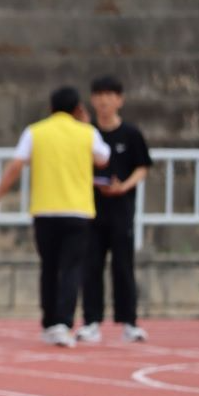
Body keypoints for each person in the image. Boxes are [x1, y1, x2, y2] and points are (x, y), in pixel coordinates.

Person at [0, 86, 109, 348]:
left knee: (49, 267)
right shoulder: (87, 132)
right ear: (77, 109)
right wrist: (85, 125)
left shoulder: (35, 131)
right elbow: (103, 159)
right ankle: (63, 322)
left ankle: (49, 322)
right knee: (70, 268)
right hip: (78, 211)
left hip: (45, 211)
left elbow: (16, 165)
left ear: (50, 108)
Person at [78, 76, 152, 343]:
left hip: (121, 210)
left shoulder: (130, 134)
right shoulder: (86, 132)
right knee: (91, 267)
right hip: (91, 209)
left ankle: (129, 322)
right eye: (99, 95)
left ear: (120, 99)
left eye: (110, 95)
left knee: (123, 266)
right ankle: (91, 321)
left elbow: (142, 166)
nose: (104, 100)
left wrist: (125, 186)